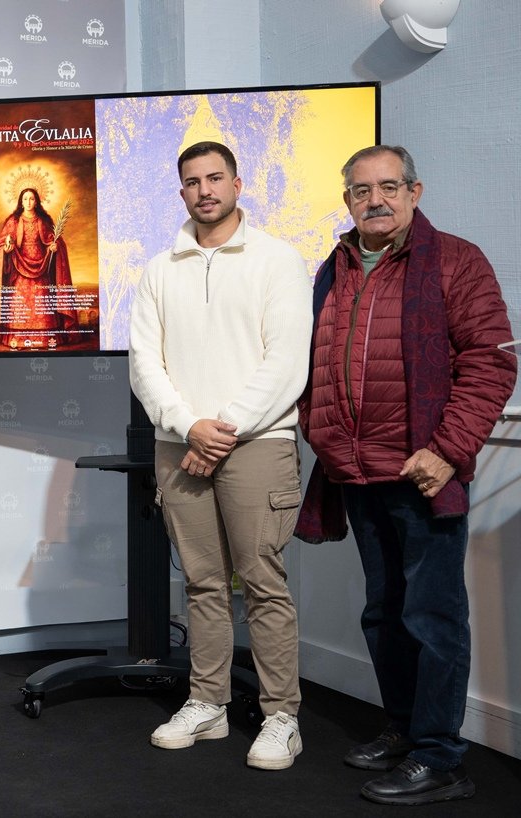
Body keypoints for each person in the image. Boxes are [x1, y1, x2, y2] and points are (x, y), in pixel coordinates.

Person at [296, 145, 515, 805]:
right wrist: (323, 431)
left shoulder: (455, 259)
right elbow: (318, 361)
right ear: (347, 201)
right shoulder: (333, 269)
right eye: (361, 190)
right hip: (356, 472)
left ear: (415, 191)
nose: (376, 200)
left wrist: (448, 450)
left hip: (424, 473)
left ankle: (442, 758)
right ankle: (403, 730)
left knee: (432, 616)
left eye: (389, 186)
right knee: (383, 613)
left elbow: (492, 363)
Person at [129, 141, 312, 770]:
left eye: (214, 178)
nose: (204, 190)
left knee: (262, 583)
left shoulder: (278, 261)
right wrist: (187, 426)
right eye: (191, 181)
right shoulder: (159, 269)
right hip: (179, 445)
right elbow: (144, 366)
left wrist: (223, 429)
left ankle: (281, 716)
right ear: (180, 192)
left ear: (237, 182)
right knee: (203, 584)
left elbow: (286, 363)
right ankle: (207, 704)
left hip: (258, 443)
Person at [0, 187, 75, 348]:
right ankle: (17, 339)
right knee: (18, 304)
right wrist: (6, 249)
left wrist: (55, 247)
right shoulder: (13, 222)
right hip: (19, 269)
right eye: (25, 199)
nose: (28, 202)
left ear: (36, 202)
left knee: (42, 304)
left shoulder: (43, 221)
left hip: (41, 269)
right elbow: (1, 246)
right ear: (21, 201)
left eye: (32, 199)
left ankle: (46, 339)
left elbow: (54, 241)